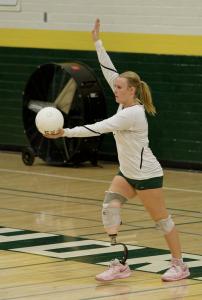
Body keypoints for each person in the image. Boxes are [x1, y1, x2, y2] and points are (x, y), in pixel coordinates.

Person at [44, 19, 190, 282]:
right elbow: (107, 67)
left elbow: (99, 128)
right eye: (116, 86)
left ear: (132, 91)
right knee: (110, 207)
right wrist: (97, 41)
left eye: (119, 88)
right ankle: (120, 263)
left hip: (146, 175)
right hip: (127, 172)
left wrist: (64, 132)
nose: (115, 90)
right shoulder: (124, 101)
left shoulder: (132, 114)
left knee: (162, 221)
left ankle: (180, 265)